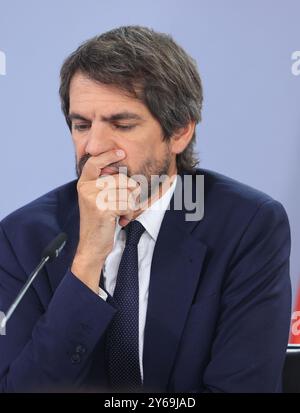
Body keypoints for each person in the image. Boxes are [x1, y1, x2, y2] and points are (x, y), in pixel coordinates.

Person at [0, 26, 291, 393]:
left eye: (121, 124)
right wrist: (88, 258)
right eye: (81, 125)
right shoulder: (22, 237)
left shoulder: (246, 226)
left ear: (179, 132)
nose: (93, 146)